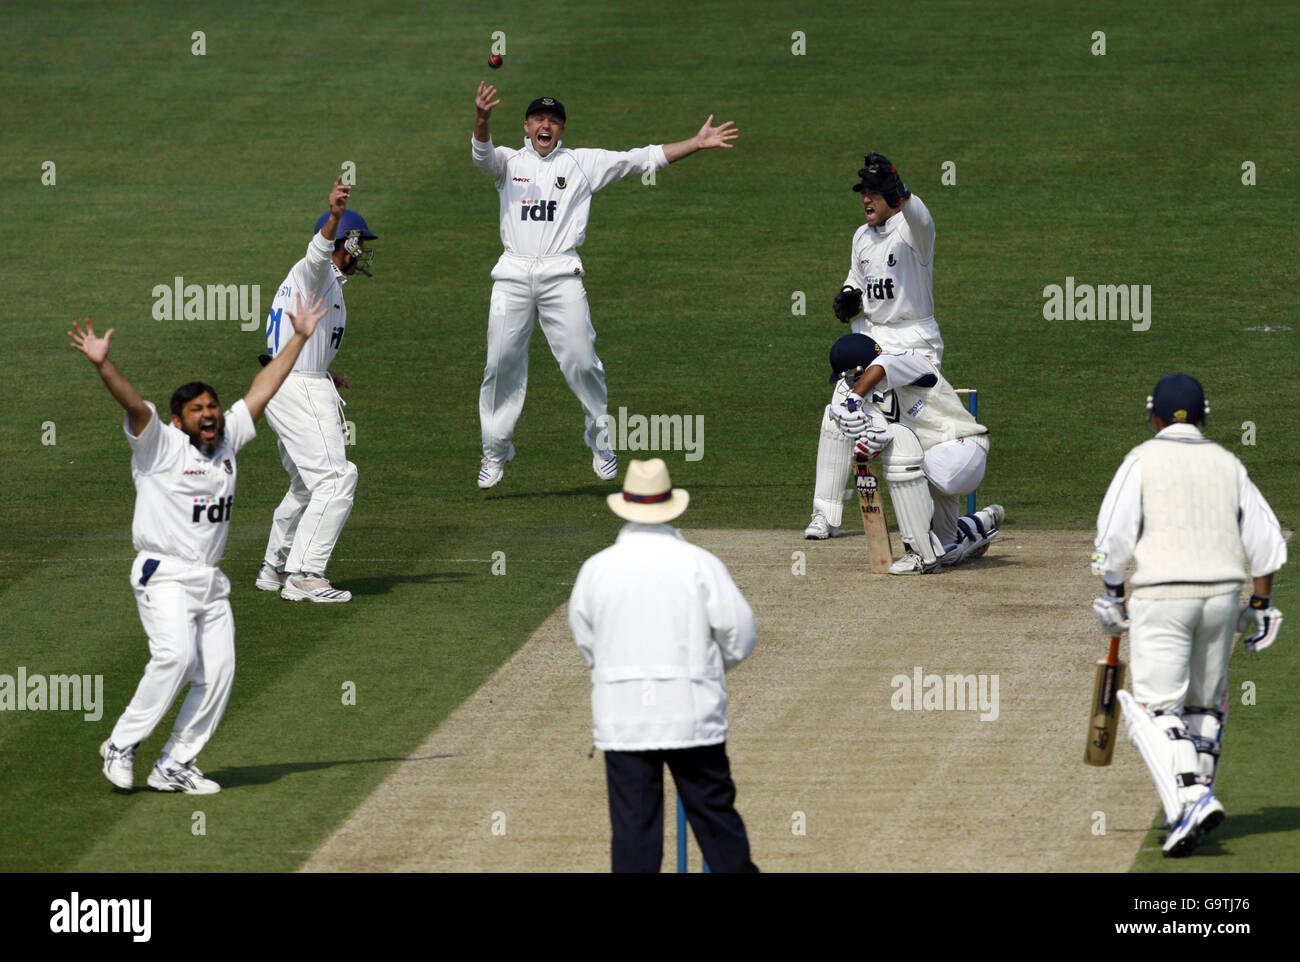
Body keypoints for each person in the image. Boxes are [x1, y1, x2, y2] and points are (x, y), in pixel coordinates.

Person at [71, 294, 327, 794]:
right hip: (162, 572)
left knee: (219, 672)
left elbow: (262, 389)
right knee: (175, 656)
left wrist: (300, 336)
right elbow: (130, 402)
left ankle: (175, 764)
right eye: (197, 410)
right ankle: (121, 744)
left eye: (212, 406)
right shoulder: (159, 446)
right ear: (178, 420)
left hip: (209, 580)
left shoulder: (227, 439)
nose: (209, 415)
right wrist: (104, 365)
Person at [470, 83, 739, 489]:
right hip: (512, 274)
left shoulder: (582, 163)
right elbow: (481, 155)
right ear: (526, 126)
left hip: (562, 273)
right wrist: (483, 117)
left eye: (554, 121)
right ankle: (495, 450)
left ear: (562, 130)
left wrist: (697, 143)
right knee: (500, 363)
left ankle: (601, 442)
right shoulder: (508, 162)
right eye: (539, 120)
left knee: (582, 360)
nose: (547, 126)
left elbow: (641, 159)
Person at [1092, 373, 1286, 857]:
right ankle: (1188, 810)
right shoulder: (1228, 463)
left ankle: (1194, 797)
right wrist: (1259, 604)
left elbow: (1113, 539)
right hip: (1222, 596)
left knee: (1155, 712)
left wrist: (1114, 595)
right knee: (1202, 706)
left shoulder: (1141, 459)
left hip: (1162, 595)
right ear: (1204, 417)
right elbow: (1267, 542)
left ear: (1153, 416)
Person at [568, 458, 758, 872]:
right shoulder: (699, 563)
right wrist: (705, 669)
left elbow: (588, 645)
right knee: (716, 821)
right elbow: (741, 636)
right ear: (671, 505)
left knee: (635, 832)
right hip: (692, 712)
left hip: (624, 719)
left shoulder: (596, 569)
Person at [806, 152, 946, 539]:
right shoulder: (861, 236)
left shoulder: (914, 231)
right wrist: (849, 297)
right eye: (863, 193)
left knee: (914, 426)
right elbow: (857, 279)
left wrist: (900, 190)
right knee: (838, 411)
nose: (866, 200)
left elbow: (920, 216)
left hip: (917, 345)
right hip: (877, 342)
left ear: (890, 196)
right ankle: (826, 516)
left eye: (873, 193)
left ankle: (931, 513)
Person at [255, 176, 377, 603]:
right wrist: (335, 217)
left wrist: (326, 368)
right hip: (299, 389)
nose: (361, 251)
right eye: (356, 242)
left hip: (289, 381)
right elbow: (317, 252)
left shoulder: (324, 285)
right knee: (337, 479)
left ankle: (273, 566)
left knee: (307, 484)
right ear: (342, 242)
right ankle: (305, 574)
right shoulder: (315, 270)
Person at [827, 332, 1002, 574]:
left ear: (860, 370)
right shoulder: (871, 403)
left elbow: (882, 366)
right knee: (947, 550)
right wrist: (868, 443)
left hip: (963, 448)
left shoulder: (907, 360)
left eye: (849, 378)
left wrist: (854, 400)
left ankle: (920, 555)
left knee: (898, 446)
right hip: (931, 469)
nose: (848, 386)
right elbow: (878, 435)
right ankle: (976, 526)